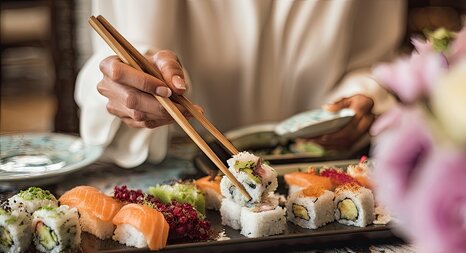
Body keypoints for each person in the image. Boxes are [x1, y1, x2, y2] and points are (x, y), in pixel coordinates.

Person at [76, 0, 405, 168]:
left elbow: (375, 61)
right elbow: (121, 53)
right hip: (181, 163)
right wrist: (134, 83)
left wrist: (362, 95)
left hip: (318, 161)